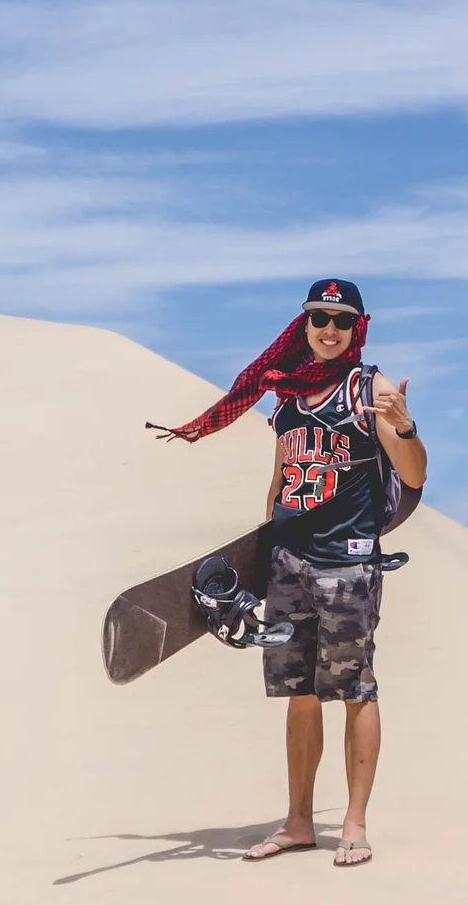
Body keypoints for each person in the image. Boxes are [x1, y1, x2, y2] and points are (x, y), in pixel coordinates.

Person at [152, 278, 428, 867]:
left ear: (358, 328)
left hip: (346, 565)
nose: (329, 330)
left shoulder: (369, 390)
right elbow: (280, 478)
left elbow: (413, 476)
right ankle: (299, 822)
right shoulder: (288, 395)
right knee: (299, 695)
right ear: (303, 325)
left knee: (355, 689)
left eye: (342, 321)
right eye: (319, 318)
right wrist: (265, 549)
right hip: (288, 564)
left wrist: (404, 427)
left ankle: (354, 825)